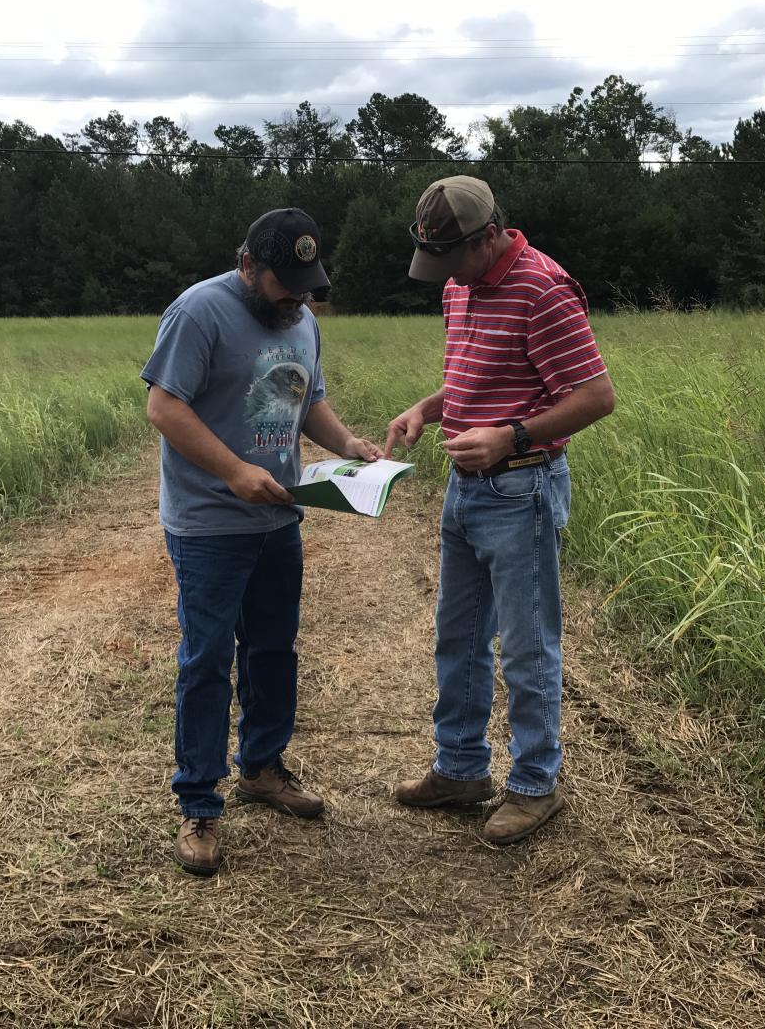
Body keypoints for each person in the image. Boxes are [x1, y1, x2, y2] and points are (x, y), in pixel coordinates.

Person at [142, 207, 380, 877]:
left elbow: (309, 403)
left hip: (280, 518)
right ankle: (198, 800)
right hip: (210, 522)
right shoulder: (198, 312)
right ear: (248, 264)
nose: (300, 298)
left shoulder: (301, 319)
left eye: (308, 284)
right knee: (208, 658)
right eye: (287, 282)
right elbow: (164, 407)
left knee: (274, 649)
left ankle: (263, 767)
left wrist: (348, 445)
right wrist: (235, 472)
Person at [386, 176, 616, 845]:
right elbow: (474, 375)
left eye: (454, 257)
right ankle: (460, 768)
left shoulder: (544, 289)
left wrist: (512, 436)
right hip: (466, 490)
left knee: (526, 646)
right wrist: (428, 409)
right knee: (457, 637)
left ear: (489, 235)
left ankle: (535, 786)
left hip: (523, 489)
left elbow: (597, 396)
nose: (446, 275)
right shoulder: (461, 284)